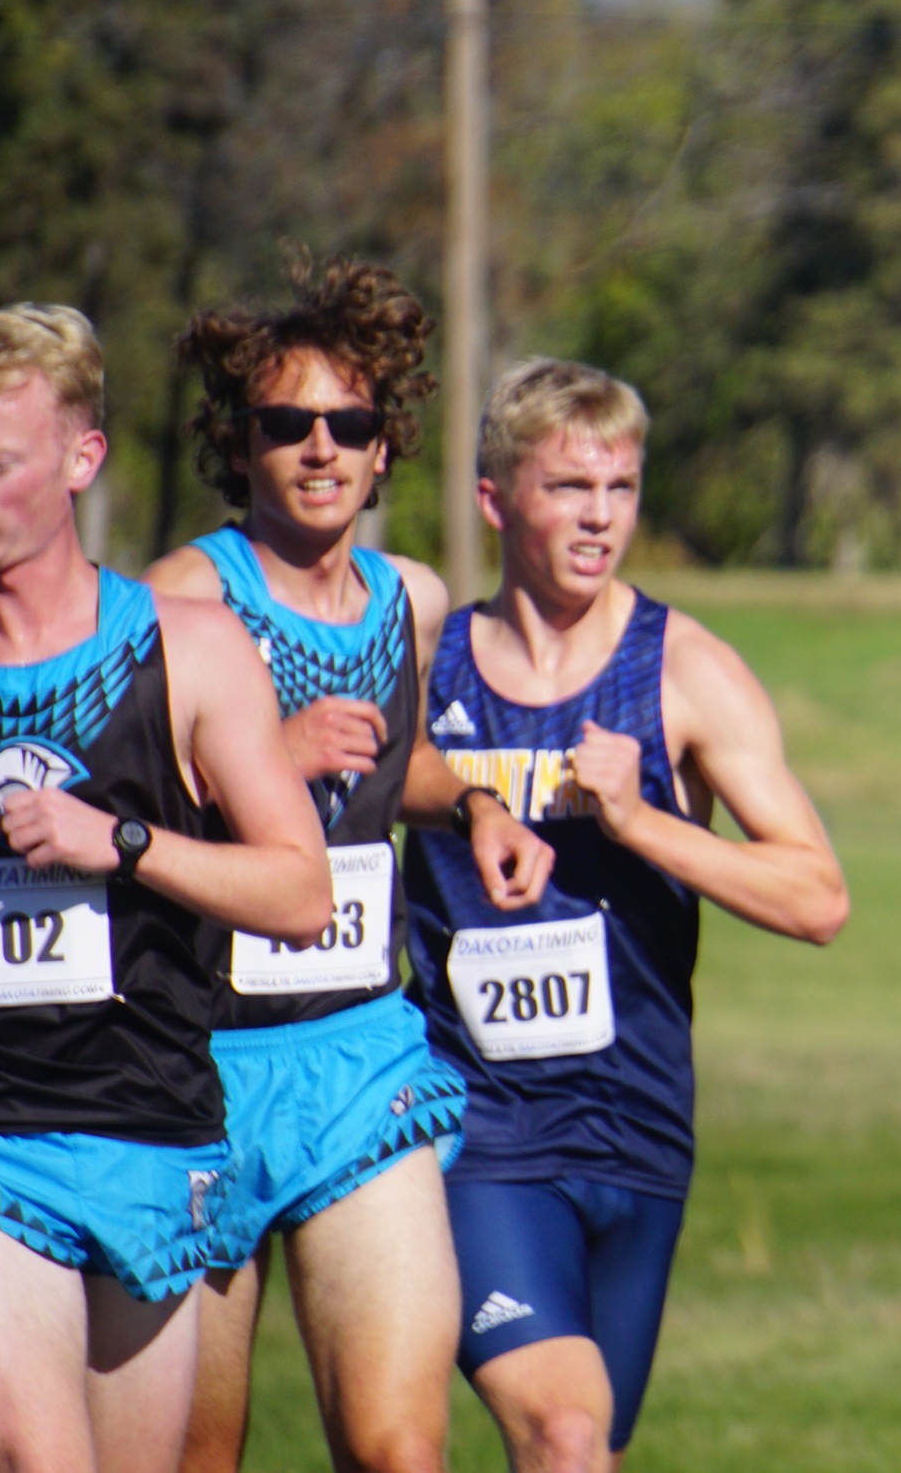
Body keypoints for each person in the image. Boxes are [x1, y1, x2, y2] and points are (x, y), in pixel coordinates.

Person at [143, 256, 556, 1473]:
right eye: (288, 424)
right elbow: (117, 807)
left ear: (385, 451)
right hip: (197, 1064)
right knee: (192, 1454)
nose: (320, 448)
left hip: (360, 1054)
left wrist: (473, 806)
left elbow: (401, 761)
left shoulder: (406, 599)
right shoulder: (179, 597)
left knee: (396, 1446)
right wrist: (265, 753)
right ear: (243, 445)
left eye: (350, 423)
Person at [403, 358, 849, 1471]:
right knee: (563, 1430)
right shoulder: (427, 667)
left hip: (640, 1124)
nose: (600, 517)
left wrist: (644, 820)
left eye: (621, 488)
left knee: (586, 1440)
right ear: (495, 498)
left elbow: (817, 895)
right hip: (481, 1123)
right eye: (567, 488)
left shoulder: (683, 671)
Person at [0, 304, 333, 1473]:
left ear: (80, 460)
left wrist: (121, 842)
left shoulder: (188, 647)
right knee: (37, 1453)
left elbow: (298, 892)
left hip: (150, 1127)